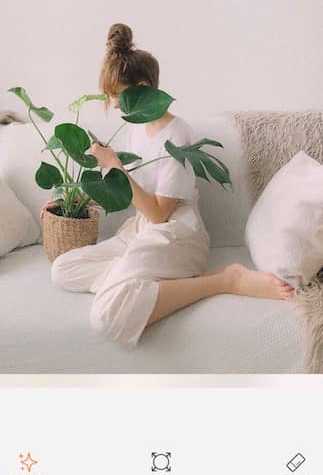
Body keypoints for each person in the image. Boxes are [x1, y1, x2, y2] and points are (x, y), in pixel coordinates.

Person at [48, 23, 294, 347]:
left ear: (143, 86)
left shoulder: (177, 134)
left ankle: (224, 280)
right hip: (139, 231)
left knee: (107, 317)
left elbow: (159, 214)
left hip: (176, 234)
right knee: (63, 269)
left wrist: (117, 167)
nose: (115, 105)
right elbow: (123, 192)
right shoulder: (136, 127)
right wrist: (67, 199)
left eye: (117, 95)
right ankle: (134, 280)